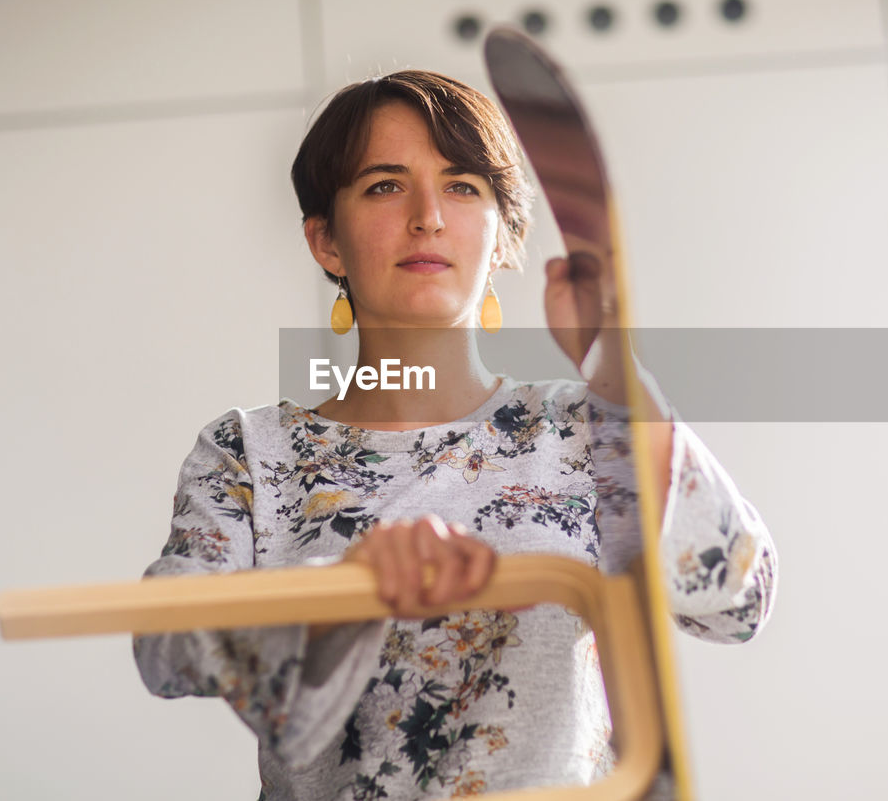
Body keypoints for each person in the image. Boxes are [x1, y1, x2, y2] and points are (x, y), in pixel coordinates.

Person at [133, 70, 776, 800]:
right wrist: (350, 588)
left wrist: (621, 379)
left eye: (463, 185)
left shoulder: (584, 427)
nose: (429, 215)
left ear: (503, 237)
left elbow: (739, 600)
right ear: (326, 242)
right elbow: (166, 646)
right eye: (384, 185)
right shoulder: (249, 453)